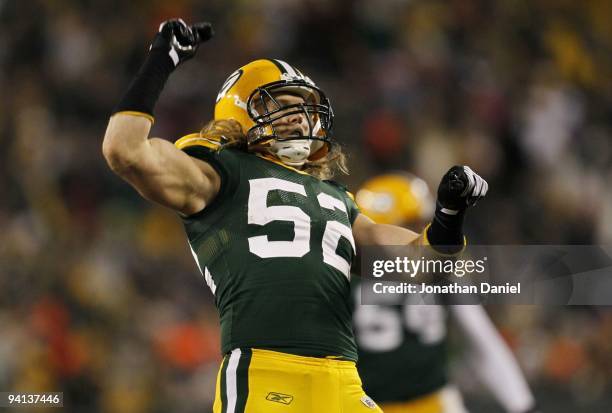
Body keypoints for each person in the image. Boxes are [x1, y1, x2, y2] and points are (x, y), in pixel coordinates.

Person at [102, 19, 488, 413]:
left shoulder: (338, 199)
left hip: (344, 380)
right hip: (268, 371)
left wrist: (448, 215)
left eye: (304, 108)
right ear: (238, 112)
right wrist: (160, 62)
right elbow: (125, 151)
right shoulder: (219, 171)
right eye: (282, 105)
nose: (299, 117)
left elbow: (427, 269)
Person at [353, 173, 539, 413]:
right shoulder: (348, 271)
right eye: (410, 225)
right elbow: (482, 340)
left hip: (427, 400)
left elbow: (480, 336)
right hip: (374, 403)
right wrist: (522, 405)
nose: (422, 234)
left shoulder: (435, 268)